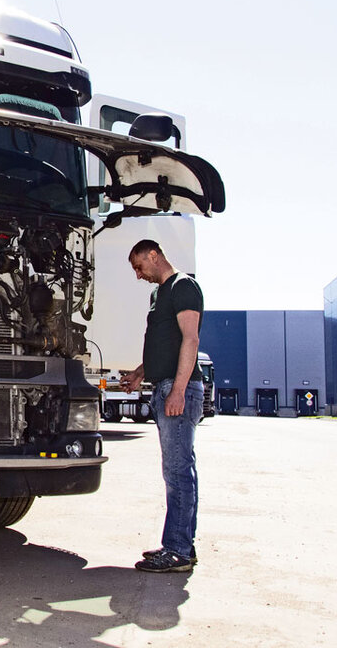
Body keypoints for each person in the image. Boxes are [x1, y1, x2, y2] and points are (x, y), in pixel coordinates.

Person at [121, 239, 204, 573]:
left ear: (152, 255)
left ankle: (178, 551)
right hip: (164, 385)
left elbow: (191, 339)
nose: (139, 275)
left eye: (139, 266)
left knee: (178, 471)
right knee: (174, 471)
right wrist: (141, 374)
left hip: (178, 388)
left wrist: (179, 390)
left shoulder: (183, 286)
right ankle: (179, 545)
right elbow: (164, 343)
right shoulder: (159, 295)